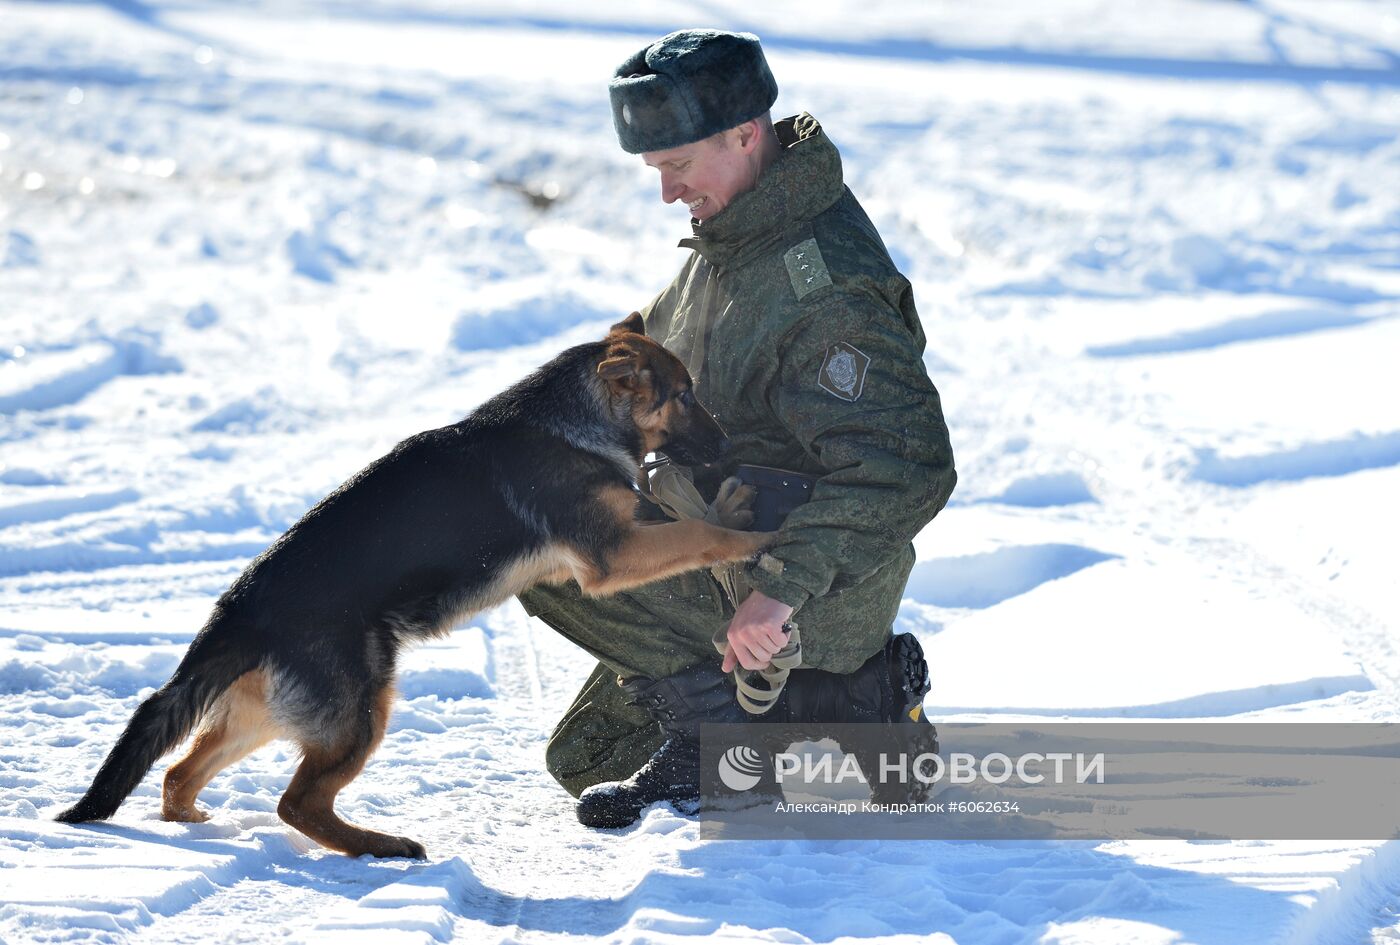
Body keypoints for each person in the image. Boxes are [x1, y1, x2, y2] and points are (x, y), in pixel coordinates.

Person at [517, 28, 956, 828]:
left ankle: (737, 732)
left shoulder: (823, 290)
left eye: (678, 166)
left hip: (797, 593)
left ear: (746, 134)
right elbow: (652, 345)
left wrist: (779, 593)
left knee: (538, 542)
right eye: (657, 172)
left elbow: (909, 467)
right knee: (583, 759)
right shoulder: (734, 240)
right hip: (730, 551)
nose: (667, 193)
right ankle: (858, 697)